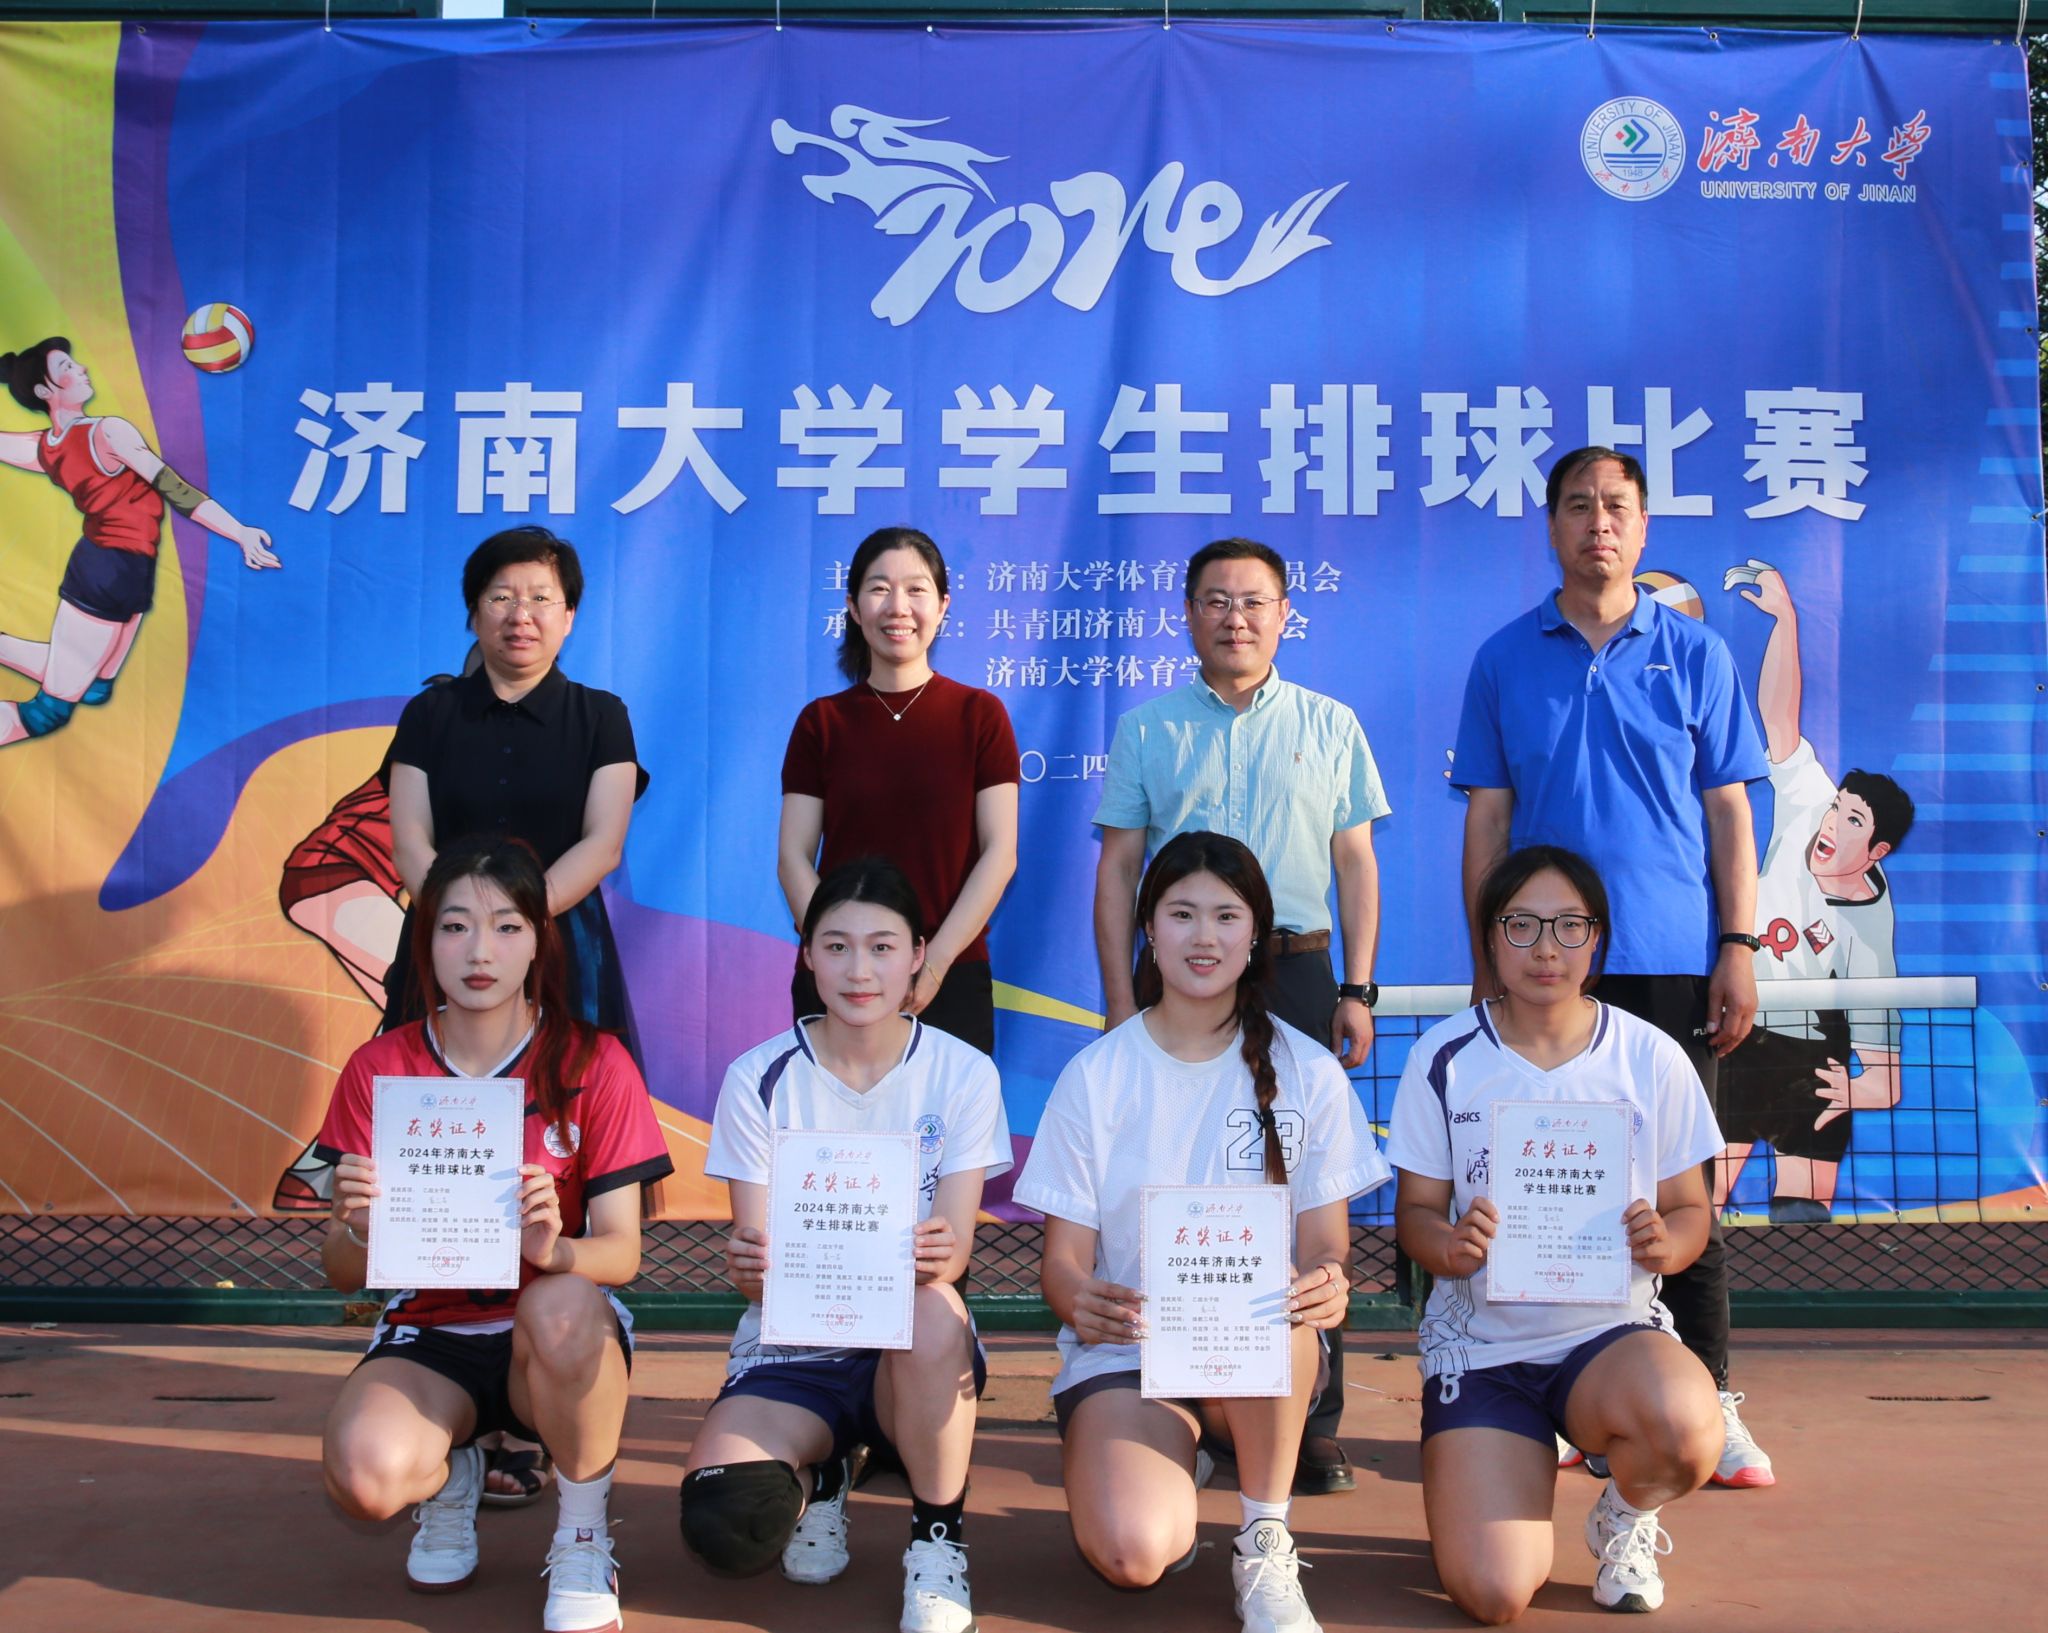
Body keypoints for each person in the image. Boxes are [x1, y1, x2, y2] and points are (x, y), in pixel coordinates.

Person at [1452, 447, 1774, 1488]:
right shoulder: (1503, 658)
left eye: (1617, 506)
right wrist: (1487, 957)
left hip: (1671, 959)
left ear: (1642, 527)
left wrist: (1736, 947)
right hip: (1542, 964)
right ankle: (1554, 1394)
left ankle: (1709, 1393)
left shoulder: (1695, 654)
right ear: (1551, 524)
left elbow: (1729, 814)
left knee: (1679, 1189)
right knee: (1539, 1181)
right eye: (1579, 505)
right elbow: (1488, 820)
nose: (1598, 522)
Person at [1018, 832, 1389, 1633]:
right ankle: (1165, 1465)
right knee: (1133, 1551)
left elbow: (1326, 1247)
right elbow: (1063, 1263)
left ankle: (1265, 1537)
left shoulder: (1309, 1070)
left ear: (1256, 932)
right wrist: (1084, 1300)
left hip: (1253, 1354)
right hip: (1131, 1353)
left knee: (1284, 1310)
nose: (1204, 936)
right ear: (1149, 929)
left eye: (1226, 915)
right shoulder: (1096, 1074)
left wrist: (1327, 1282)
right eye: (1182, 913)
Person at [313, 835, 675, 1633]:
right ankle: (453, 1472)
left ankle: (583, 1534)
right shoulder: (379, 1067)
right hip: (433, 1334)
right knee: (365, 1480)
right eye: (455, 926)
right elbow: (341, 1271)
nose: (480, 951)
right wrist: (358, 1227)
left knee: (564, 1302)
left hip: (547, 1337)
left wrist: (556, 1250)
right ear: (426, 941)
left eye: (507, 926)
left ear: (539, 940)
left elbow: (622, 1252)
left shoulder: (594, 1061)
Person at [1093, 536, 1389, 1496]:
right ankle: (1178, 1385)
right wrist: (1119, 997)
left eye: (1255, 600)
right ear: (1188, 614)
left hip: (1296, 968)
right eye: (1216, 600)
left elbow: (1355, 861)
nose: (1236, 617)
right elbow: (1120, 869)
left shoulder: (1331, 723)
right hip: (1176, 970)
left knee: (1302, 1183)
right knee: (1174, 1166)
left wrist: (1358, 988)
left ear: (1284, 614)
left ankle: (1312, 1420)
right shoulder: (1147, 729)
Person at [1388, 846, 1726, 1622]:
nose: (1547, 947)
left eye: (1570, 925)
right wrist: (1449, 1245)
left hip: (1608, 1340)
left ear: (1597, 939)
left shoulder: (1651, 1056)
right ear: (1490, 937)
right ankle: (1503, 1478)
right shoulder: (1444, 1057)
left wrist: (1666, 1244)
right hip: (1484, 1353)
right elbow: (1415, 1215)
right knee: (1494, 1591)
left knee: (1684, 1429)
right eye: (1523, 924)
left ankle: (1624, 1516)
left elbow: (1691, 1210)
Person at [680, 857, 1012, 1633]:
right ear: (806, 954)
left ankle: (937, 1538)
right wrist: (751, 1264)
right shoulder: (758, 1077)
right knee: (726, 1518)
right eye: (836, 946)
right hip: (795, 1347)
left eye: (882, 947)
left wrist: (938, 1252)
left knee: (933, 1307)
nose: (859, 970)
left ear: (918, 954)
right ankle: (823, 1469)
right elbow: (758, 1269)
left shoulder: (963, 1073)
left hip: (911, 1349)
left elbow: (955, 1251)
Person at [385, 525, 647, 1062]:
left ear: (568, 616)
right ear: (474, 613)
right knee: (429, 1088)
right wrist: (462, 924)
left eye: (541, 599)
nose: (520, 615)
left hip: (561, 937)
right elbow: (410, 842)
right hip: (445, 940)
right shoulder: (428, 714)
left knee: (567, 1087)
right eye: (501, 597)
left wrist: (516, 922)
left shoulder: (602, 716)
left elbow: (603, 845)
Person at [1717, 560, 1914, 1228]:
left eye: (1852, 821)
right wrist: (1786, 621)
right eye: (1837, 809)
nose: (1831, 824)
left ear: (1877, 851)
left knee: (1799, 1229)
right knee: (1695, 1210)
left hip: (1810, 1057)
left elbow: (1887, 1080)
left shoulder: (1869, 936)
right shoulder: (1809, 806)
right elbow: (1779, 717)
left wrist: (1853, 1089)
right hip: (1735, 1027)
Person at [779, 526, 1019, 1055]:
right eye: (879, 589)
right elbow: (793, 856)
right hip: (841, 982)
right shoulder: (822, 722)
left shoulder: (980, 715)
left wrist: (932, 963)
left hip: (949, 972)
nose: (898, 607)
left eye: (916, 590)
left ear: (943, 606)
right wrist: (838, 952)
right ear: (853, 607)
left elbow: (1000, 853)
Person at [0, 337, 279, 746]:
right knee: (47, 714)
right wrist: (239, 532)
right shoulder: (106, 433)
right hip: (104, 571)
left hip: (130, 568)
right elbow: (175, 489)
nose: (81, 369)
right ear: (45, 391)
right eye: (66, 368)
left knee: (95, 688)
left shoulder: (44, 447)